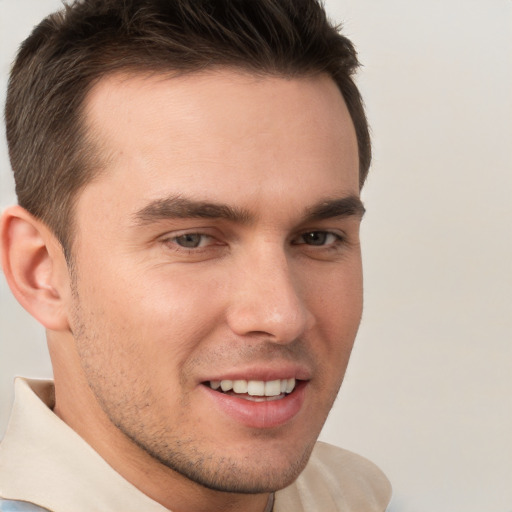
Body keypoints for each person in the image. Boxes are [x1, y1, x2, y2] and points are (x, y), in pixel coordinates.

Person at [0, 0, 392, 510]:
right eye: (191, 239)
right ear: (41, 272)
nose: (282, 315)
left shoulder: (364, 497)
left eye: (317, 237)